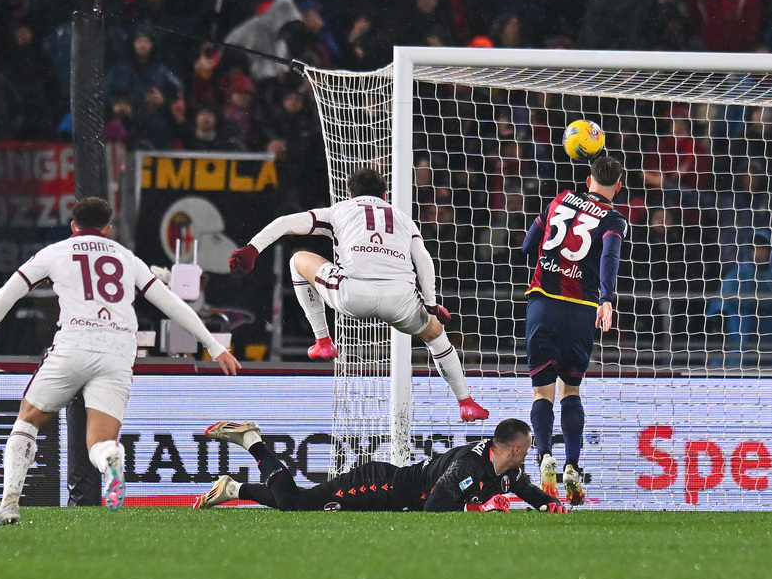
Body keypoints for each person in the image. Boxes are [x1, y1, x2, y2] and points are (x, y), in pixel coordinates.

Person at [0, 197, 240, 526]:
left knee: (28, 420)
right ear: (109, 229)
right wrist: (213, 345)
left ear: (73, 226)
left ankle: (9, 503)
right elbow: (170, 302)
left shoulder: (55, 252)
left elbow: (6, 294)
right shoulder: (126, 257)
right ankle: (110, 458)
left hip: (75, 341)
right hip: (119, 349)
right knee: (100, 442)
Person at [228, 167, 489, 423]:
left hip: (352, 293)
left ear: (350, 195)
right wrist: (431, 304)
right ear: (385, 196)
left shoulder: (339, 210)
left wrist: (252, 249)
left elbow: (285, 223)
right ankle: (465, 402)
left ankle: (323, 341)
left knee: (298, 259)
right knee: (436, 336)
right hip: (400, 298)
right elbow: (423, 259)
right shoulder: (402, 218)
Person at [521, 156, 627, 506]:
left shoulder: (560, 199)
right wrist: (607, 299)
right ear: (619, 186)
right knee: (572, 391)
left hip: (543, 302)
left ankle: (545, 456)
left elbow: (526, 245)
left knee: (542, 394)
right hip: (582, 311)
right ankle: (573, 465)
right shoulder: (614, 219)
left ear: (588, 179)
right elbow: (610, 257)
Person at [193, 417, 565, 513]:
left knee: (299, 502)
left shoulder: (507, 469)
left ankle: (234, 489)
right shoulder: (470, 466)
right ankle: (252, 441)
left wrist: (549, 503)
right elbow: (436, 505)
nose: (529, 453)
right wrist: (479, 507)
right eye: (528, 447)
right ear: (515, 449)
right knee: (294, 502)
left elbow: (525, 489)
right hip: (379, 486)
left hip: (390, 494)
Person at [705, 230, 772, 366]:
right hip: (738, 331)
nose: (759, 253)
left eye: (763, 248)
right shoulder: (736, 274)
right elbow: (718, 309)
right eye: (754, 248)